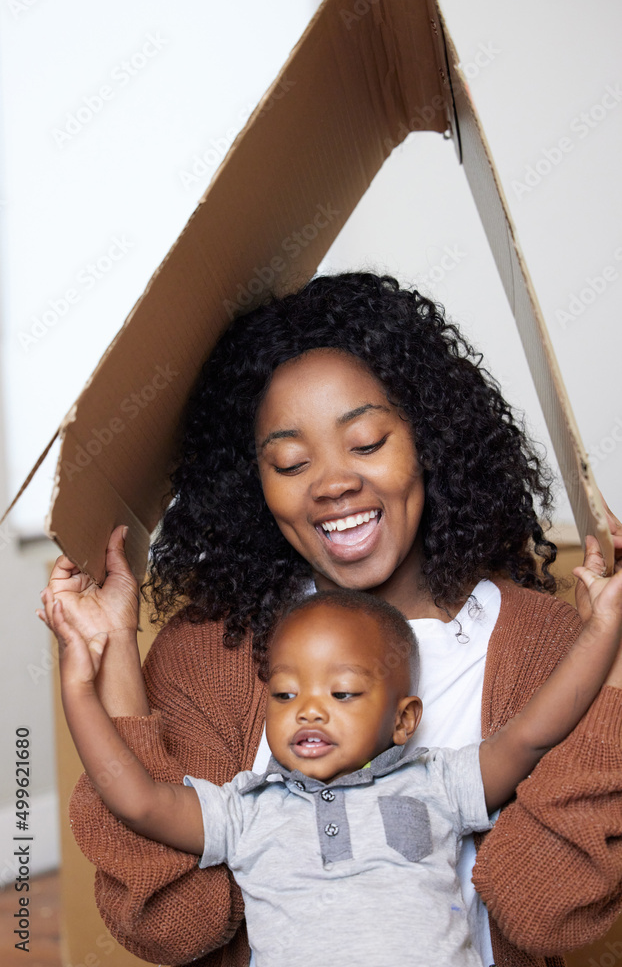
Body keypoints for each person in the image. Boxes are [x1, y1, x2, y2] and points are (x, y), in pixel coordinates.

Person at [38, 273, 622, 967]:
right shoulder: (206, 653)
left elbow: (544, 911)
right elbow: (176, 927)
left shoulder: (547, 647)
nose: (333, 482)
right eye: (290, 461)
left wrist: (611, 656)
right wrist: (111, 668)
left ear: (428, 441)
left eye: (368, 442)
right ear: (253, 482)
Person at [51, 565, 622, 967]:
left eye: (343, 694)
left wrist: (603, 628)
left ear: (405, 721)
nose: (309, 711)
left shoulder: (439, 781)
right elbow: (136, 799)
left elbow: (532, 736)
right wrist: (78, 688)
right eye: (284, 695)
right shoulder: (246, 807)